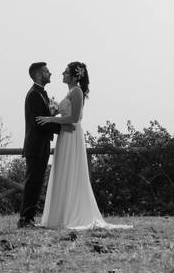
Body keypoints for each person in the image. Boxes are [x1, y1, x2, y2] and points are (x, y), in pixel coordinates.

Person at [36, 62, 131, 230]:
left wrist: (51, 119)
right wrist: (54, 108)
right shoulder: (70, 92)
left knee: (72, 172)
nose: (62, 74)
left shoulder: (77, 91)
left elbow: (74, 118)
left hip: (73, 136)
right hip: (64, 136)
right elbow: (65, 112)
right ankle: (59, 216)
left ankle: (75, 215)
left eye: (65, 72)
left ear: (74, 75)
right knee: (62, 171)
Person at [18, 62, 62, 228]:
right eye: (46, 71)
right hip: (35, 145)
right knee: (33, 183)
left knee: (36, 183)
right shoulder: (35, 95)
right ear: (38, 74)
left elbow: (45, 118)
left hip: (40, 145)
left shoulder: (40, 93)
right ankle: (25, 219)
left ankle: (28, 218)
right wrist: (64, 128)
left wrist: (53, 115)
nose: (50, 73)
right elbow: (39, 122)